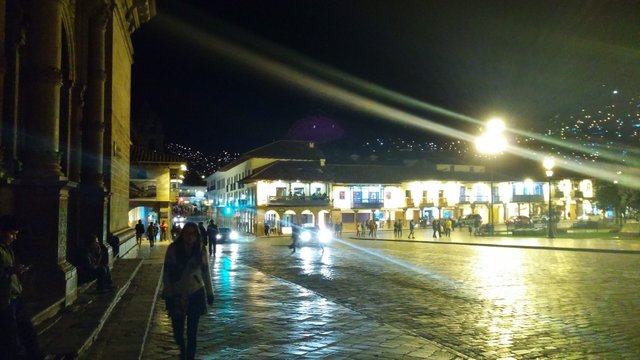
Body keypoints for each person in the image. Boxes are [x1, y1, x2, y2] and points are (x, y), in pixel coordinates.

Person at [162, 222, 214, 360]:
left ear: (197, 236)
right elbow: (166, 272)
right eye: (187, 233)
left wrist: (210, 292)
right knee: (177, 331)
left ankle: (189, 357)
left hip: (195, 292)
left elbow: (205, 272)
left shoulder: (201, 250)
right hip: (176, 293)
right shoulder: (173, 249)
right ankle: (182, 348)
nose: (190, 237)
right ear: (182, 234)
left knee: (192, 332)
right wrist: (167, 291)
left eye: (193, 234)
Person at [0, 215, 45, 359]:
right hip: (4, 299)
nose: (14, 237)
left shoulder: (6, 248)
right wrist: (12, 270)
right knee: (11, 338)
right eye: (12, 233)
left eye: (16, 234)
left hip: (14, 296)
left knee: (27, 331)